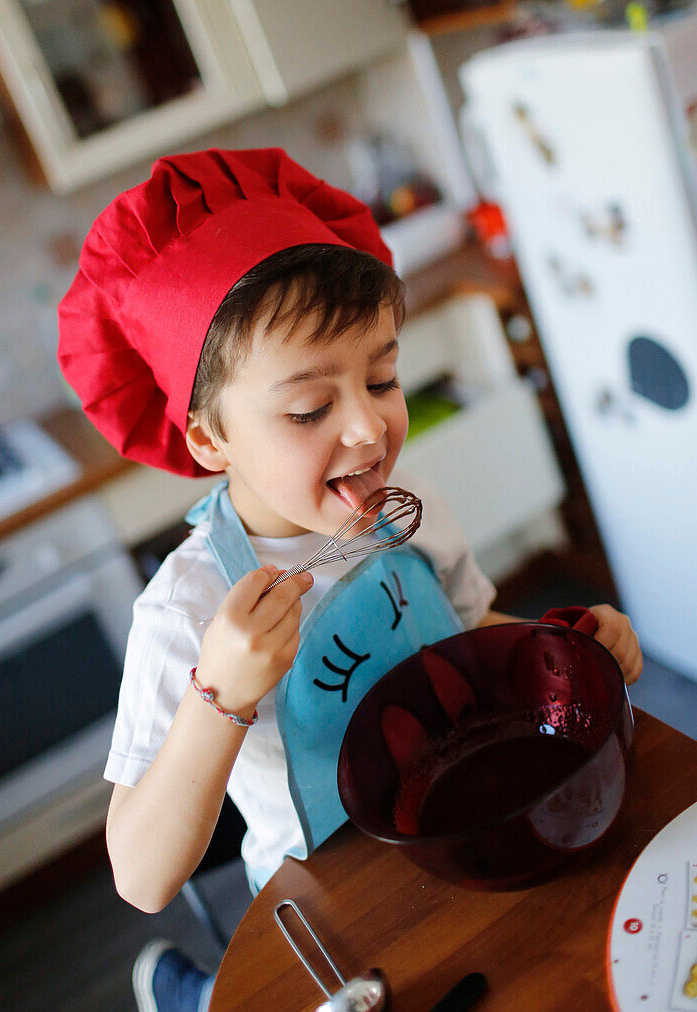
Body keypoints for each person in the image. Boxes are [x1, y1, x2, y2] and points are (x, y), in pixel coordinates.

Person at [57, 148, 643, 1012]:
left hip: (463, 822)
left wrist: (565, 648)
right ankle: (186, 992)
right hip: (329, 906)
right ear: (209, 440)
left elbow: (475, 635)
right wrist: (217, 696)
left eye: (382, 376)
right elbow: (143, 877)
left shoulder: (411, 511)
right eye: (308, 410)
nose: (370, 426)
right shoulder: (186, 611)